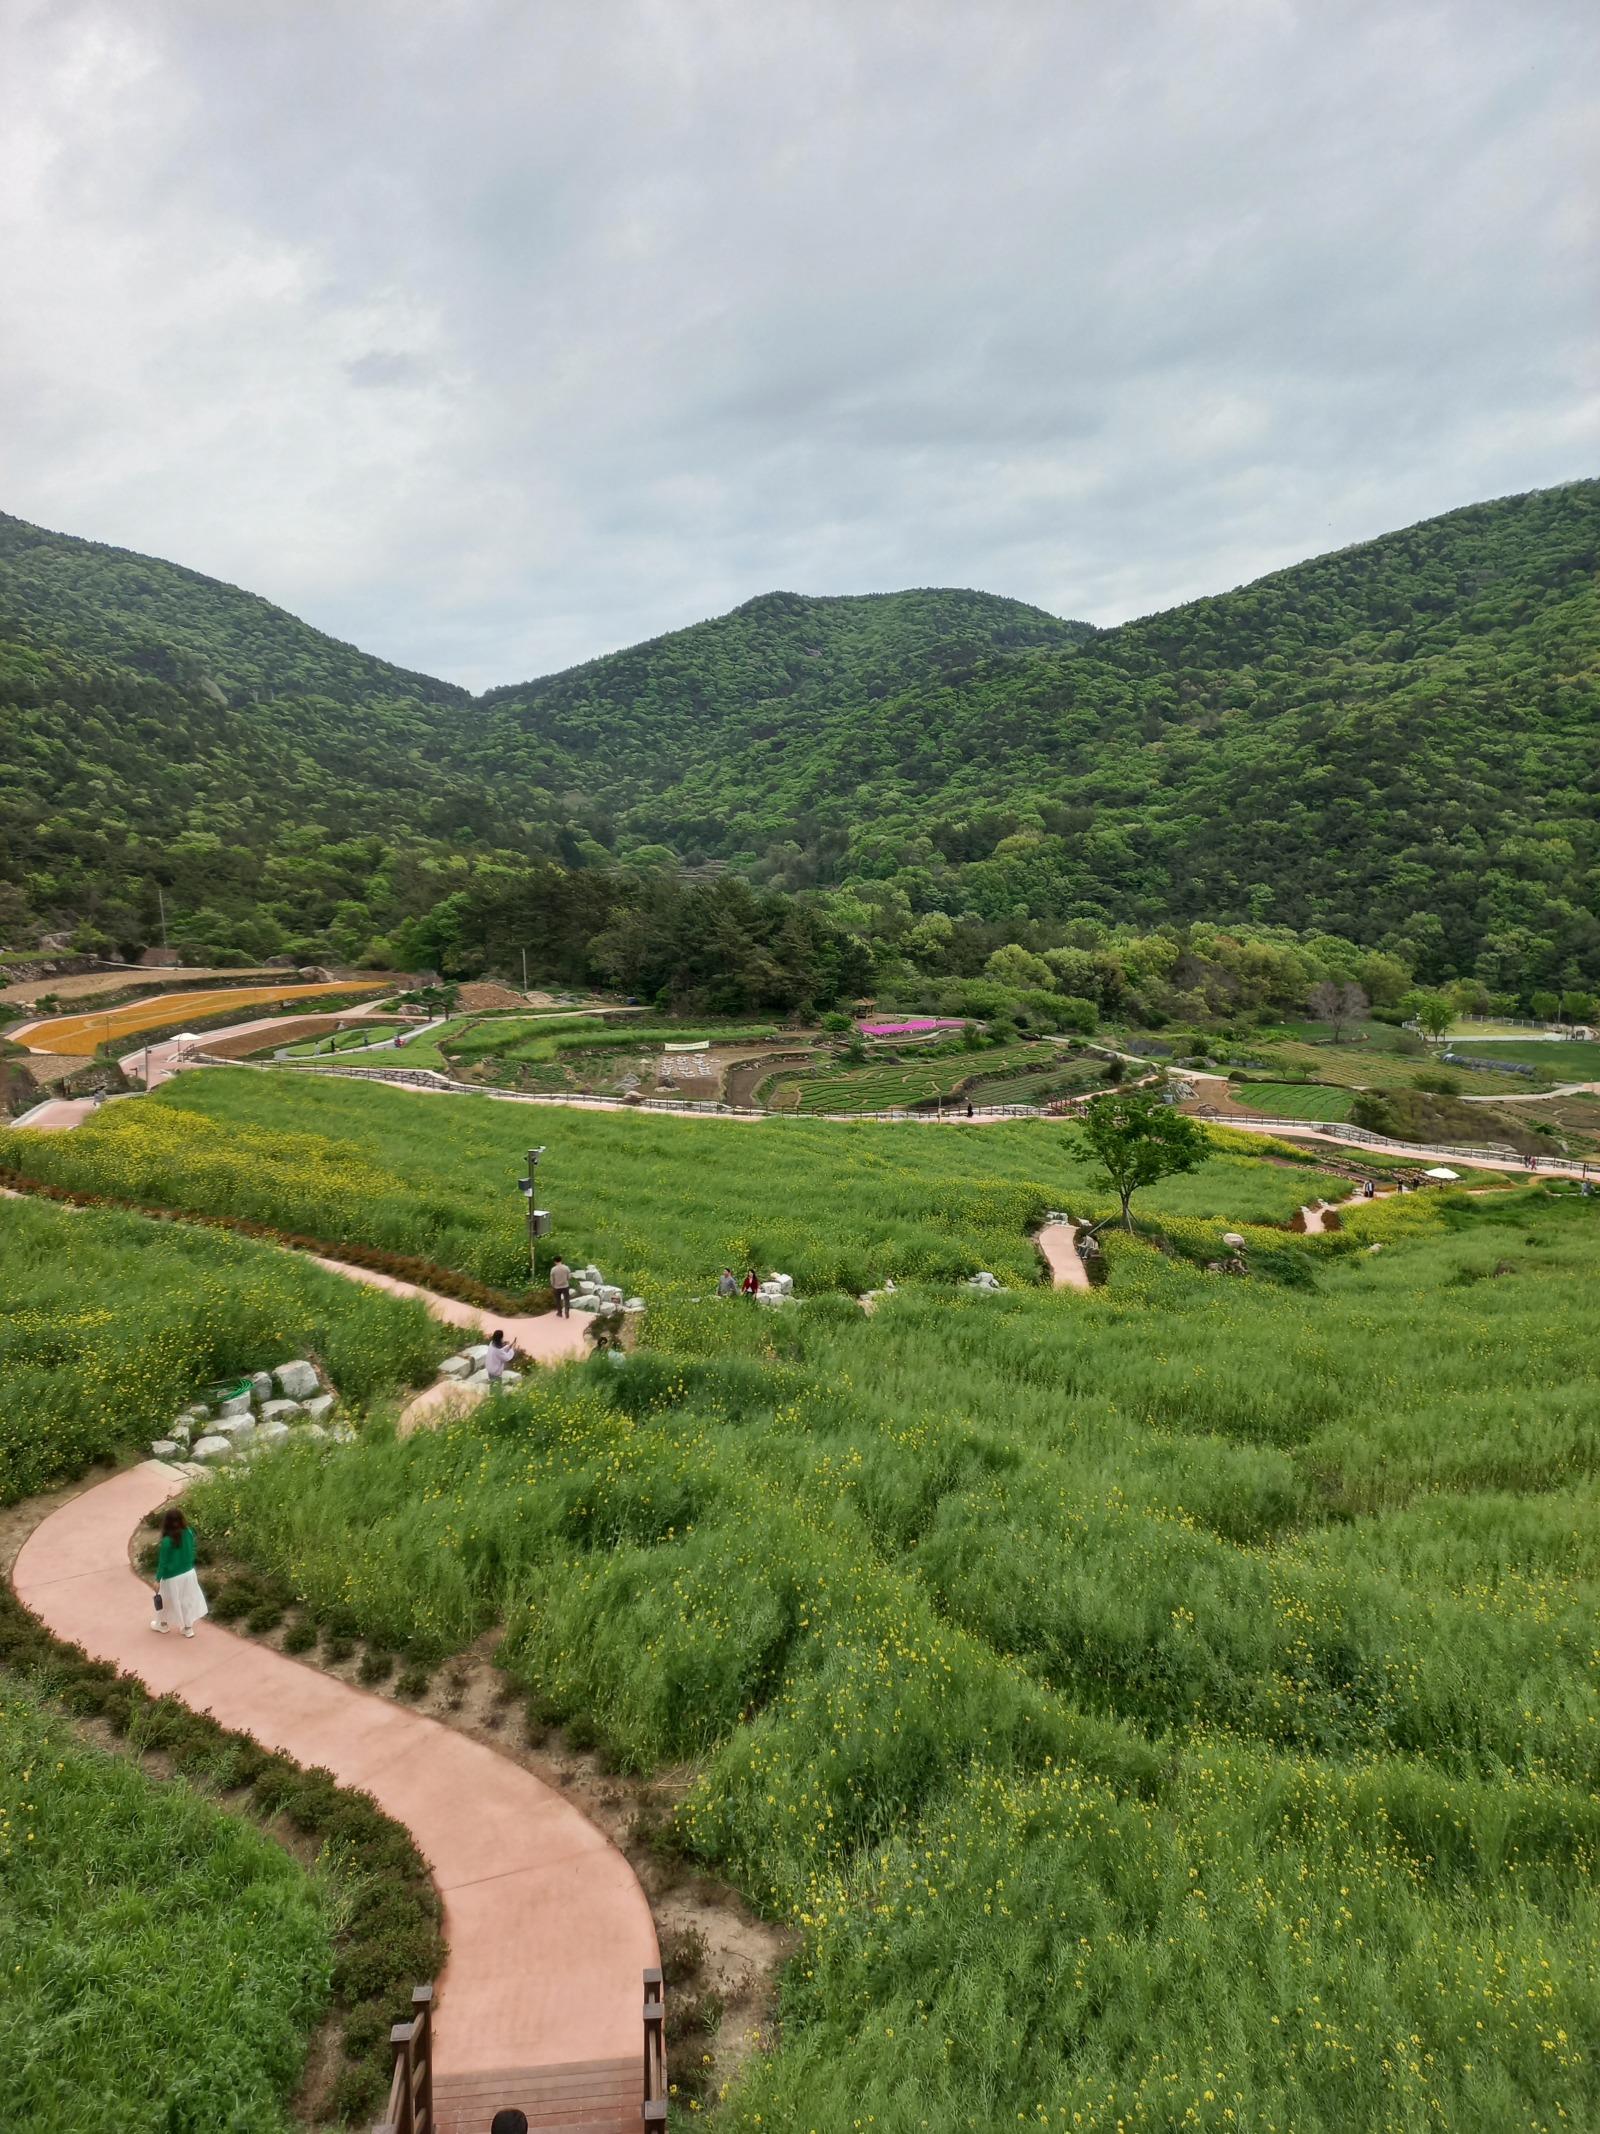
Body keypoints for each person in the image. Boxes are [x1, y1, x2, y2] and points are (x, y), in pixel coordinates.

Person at [151, 1506, 208, 1637]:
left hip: (172, 1577)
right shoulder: (188, 1532)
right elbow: (192, 1549)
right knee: (187, 1600)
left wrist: (157, 1579)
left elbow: (163, 1562)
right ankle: (188, 1628)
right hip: (189, 1573)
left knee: (166, 1600)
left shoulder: (167, 1541)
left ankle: (163, 1624)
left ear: (166, 1522)